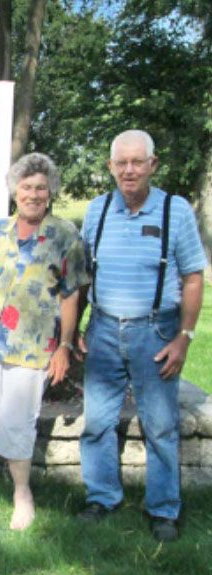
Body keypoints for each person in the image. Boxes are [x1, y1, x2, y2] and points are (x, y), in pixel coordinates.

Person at [76, 130, 207, 542]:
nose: (129, 170)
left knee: (161, 425)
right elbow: (83, 276)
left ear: (152, 164)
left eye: (137, 162)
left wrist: (184, 336)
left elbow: (193, 277)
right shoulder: (97, 210)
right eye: (121, 163)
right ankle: (102, 498)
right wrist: (74, 330)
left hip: (156, 330)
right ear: (111, 166)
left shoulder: (175, 210)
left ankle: (164, 510)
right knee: (96, 422)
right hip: (102, 328)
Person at [0, 152, 88, 530]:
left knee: (17, 422)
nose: (33, 194)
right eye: (26, 187)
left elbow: (71, 294)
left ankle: (21, 494)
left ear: (50, 192)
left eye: (41, 188)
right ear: (15, 191)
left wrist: (65, 345)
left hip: (32, 346)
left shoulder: (65, 235)